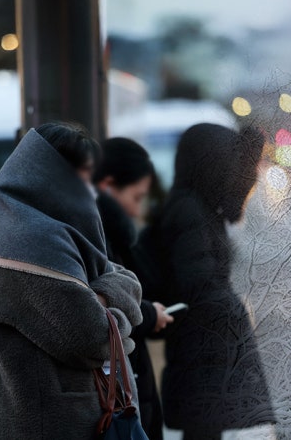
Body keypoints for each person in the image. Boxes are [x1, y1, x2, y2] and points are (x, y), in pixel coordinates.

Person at [0, 122, 144, 440]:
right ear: (55, 175)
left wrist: (103, 299)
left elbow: (125, 279)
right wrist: (114, 315)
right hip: (47, 426)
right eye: (85, 177)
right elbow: (95, 337)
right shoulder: (29, 240)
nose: (91, 191)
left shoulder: (37, 229)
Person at [135, 123, 276, 439]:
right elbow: (197, 283)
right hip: (199, 354)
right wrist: (232, 312)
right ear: (209, 165)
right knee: (203, 433)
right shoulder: (189, 211)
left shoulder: (197, 209)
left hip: (201, 353)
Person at [93, 136, 173, 440]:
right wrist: (149, 315)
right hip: (120, 389)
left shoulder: (118, 235)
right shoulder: (99, 237)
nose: (138, 211)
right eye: (136, 198)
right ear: (108, 185)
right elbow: (103, 305)